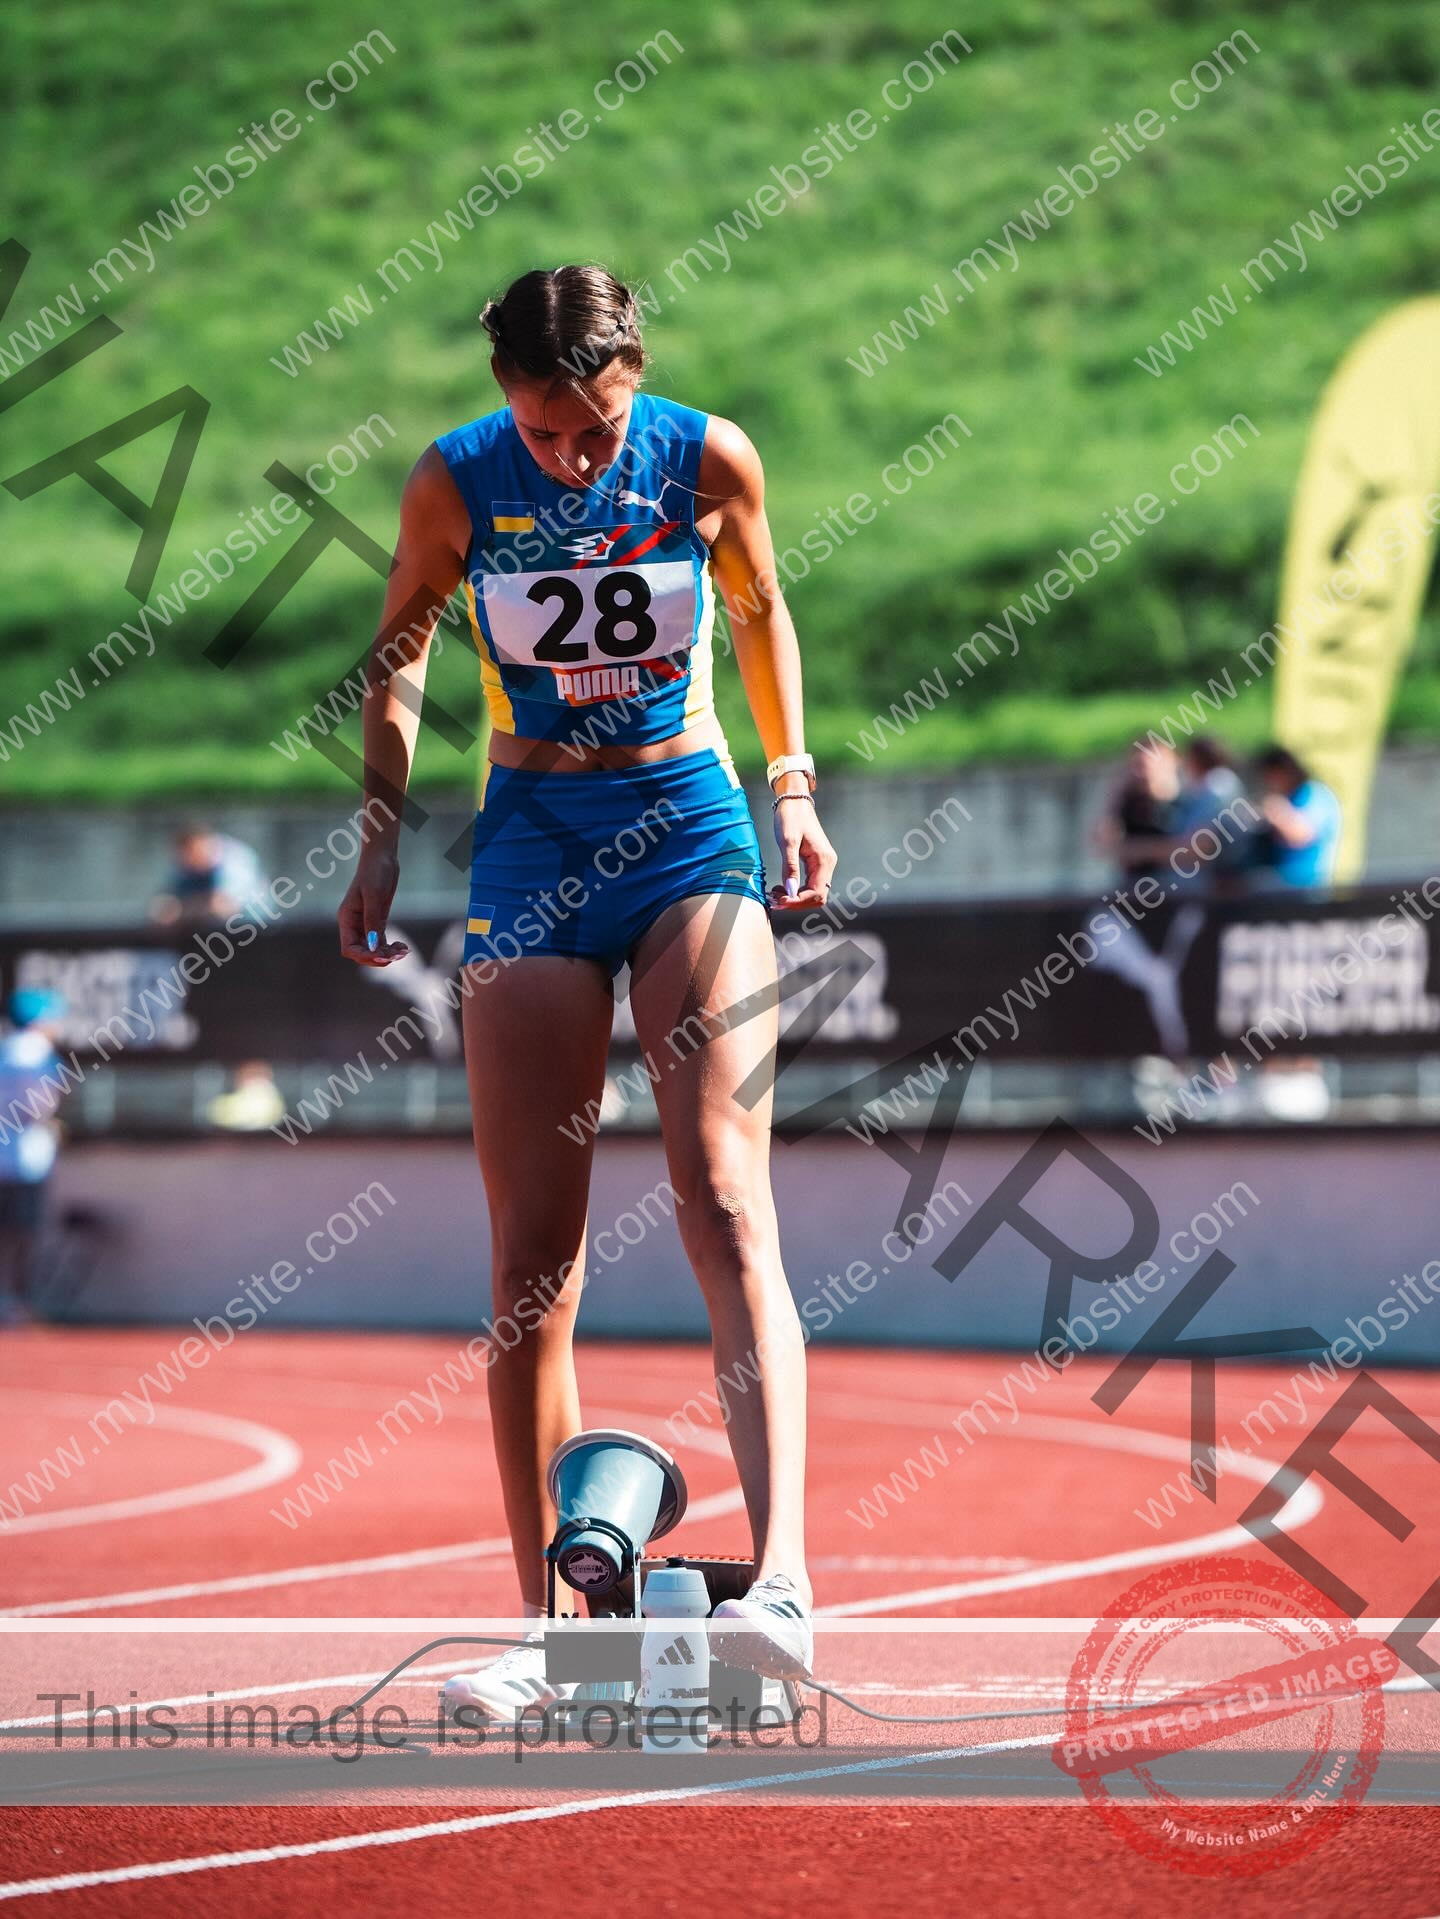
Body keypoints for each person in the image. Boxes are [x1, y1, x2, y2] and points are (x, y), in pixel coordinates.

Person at [337, 266, 836, 1716]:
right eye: (548, 435)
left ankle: (788, 1575)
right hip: (534, 841)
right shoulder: (455, 481)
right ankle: (555, 1625)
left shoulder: (707, 453)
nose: (575, 457)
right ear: (507, 403)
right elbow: (402, 648)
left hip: (687, 820)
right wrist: (379, 837)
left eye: (598, 429)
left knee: (722, 1187)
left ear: (638, 376)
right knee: (529, 1261)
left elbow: (758, 608)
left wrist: (791, 782)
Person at [0, 988, 66, 1322]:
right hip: (25, 1161)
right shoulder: (39, 1054)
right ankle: (15, 1306)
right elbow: (42, 1105)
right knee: (21, 1236)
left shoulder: (4, 1049)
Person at [1251, 745, 1342, 888]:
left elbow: (1302, 835)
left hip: (1307, 890)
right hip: (1277, 889)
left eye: (1269, 776)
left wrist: (1276, 811)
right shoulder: (1289, 798)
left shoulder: (1314, 794)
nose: (1267, 783)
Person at [1096, 741, 1179, 887]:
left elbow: (1182, 850)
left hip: (1175, 887)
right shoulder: (1129, 803)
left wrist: (1137, 850)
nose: (1142, 772)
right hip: (1132, 888)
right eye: (1138, 765)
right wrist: (1115, 797)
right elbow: (1103, 844)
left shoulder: (1180, 802)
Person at [151, 824, 268, 925]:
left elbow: (224, 907)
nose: (185, 860)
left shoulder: (235, 860)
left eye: (191, 855)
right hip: (214, 930)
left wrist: (181, 910)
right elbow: (163, 905)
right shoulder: (183, 866)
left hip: (254, 927)